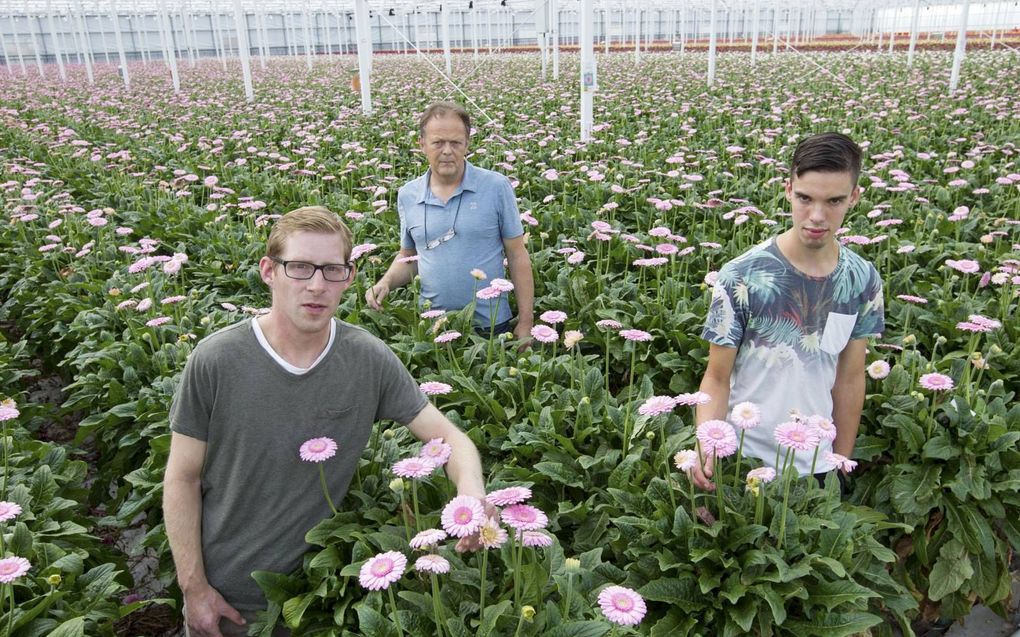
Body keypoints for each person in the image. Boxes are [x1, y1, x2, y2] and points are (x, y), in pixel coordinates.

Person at [163, 207, 488, 637]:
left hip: (319, 598)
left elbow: (450, 438)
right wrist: (193, 589)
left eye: (333, 270)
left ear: (349, 277)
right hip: (227, 604)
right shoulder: (216, 359)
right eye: (299, 268)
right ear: (269, 271)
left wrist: (473, 499)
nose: (317, 285)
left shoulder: (366, 358)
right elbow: (182, 478)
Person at [691, 132, 884, 491]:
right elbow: (716, 377)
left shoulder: (862, 279)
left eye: (834, 201)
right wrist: (708, 446)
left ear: (854, 198)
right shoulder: (742, 276)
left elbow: (850, 378)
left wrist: (839, 461)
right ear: (787, 190)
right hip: (741, 463)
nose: (817, 216)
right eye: (805, 198)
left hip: (817, 467)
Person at [365, 102, 535, 339]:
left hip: (490, 326)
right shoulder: (408, 194)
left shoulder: (496, 187)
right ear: (422, 145)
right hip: (433, 327)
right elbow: (409, 256)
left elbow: (517, 255)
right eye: (438, 142)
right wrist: (386, 282)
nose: (447, 150)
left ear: (467, 144)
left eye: (455, 142)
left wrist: (526, 321)